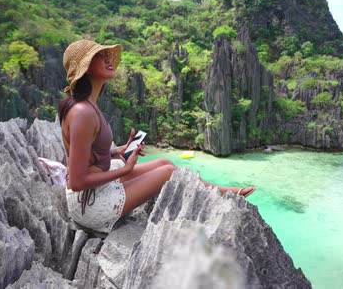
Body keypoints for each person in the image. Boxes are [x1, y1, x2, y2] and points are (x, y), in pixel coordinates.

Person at [59, 39, 255, 233]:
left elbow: (87, 154)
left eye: (106, 54)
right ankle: (224, 193)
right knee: (168, 173)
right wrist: (125, 170)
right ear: (85, 68)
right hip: (89, 205)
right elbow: (76, 182)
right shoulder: (82, 112)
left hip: (94, 191)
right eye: (99, 56)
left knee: (163, 162)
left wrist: (116, 151)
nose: (108, 59)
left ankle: (219, 190)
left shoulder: (87, 105)